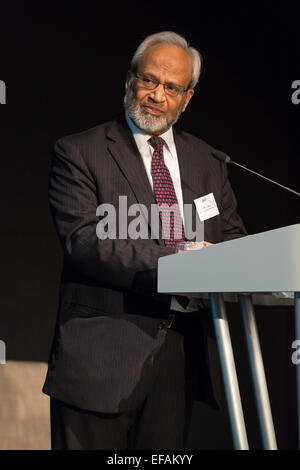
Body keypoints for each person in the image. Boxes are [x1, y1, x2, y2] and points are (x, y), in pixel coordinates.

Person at [43, 31, 247, 450]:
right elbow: (85, 240)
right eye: (149, 80)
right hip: (101, 358)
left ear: (186, 98)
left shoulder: (208, 162)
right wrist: (180, 260)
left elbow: (234, 239)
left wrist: (234, 259)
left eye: (171, 87)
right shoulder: (80, 152)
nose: (157, 95)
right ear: (129, 81)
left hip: (178, 360)